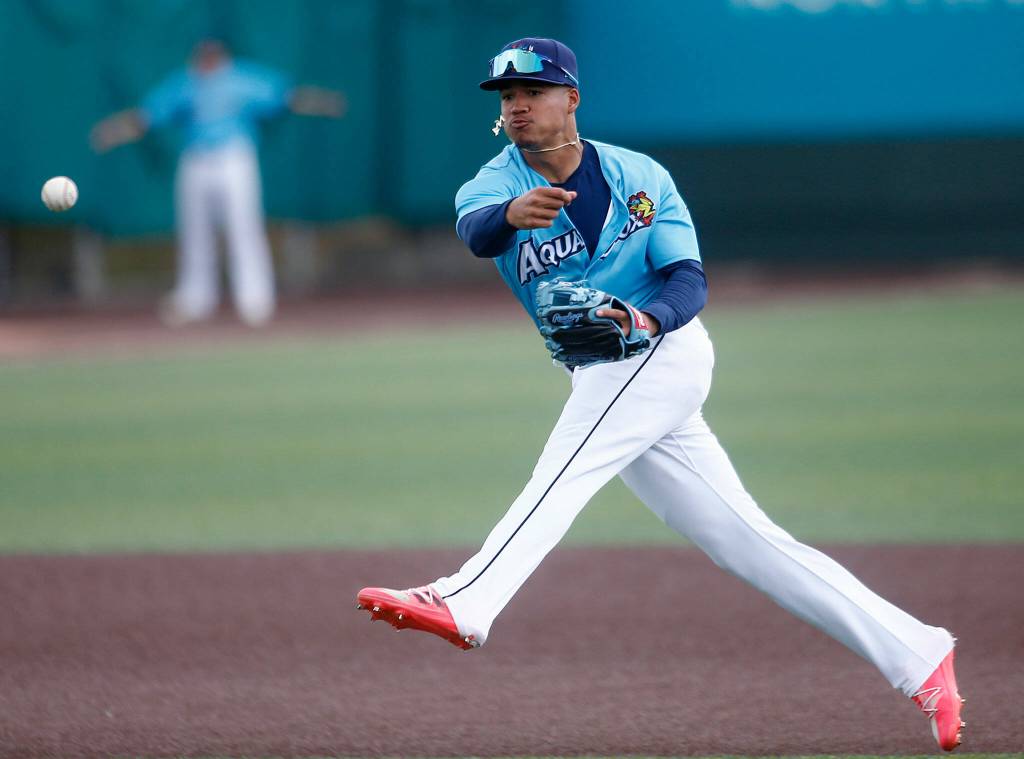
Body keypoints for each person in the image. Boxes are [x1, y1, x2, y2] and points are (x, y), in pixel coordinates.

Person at [356, 38, 965, 752]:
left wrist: (646, 317)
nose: (516, 105)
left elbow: (689, 280)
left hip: (662, 353)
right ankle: (918, 652)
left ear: (571, 98)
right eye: (506, 96)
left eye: (532, 91)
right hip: (602, 372)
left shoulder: (639, 176)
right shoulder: (492, 184)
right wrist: (512, 213)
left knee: (566, 467)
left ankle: (466, 597)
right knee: (748, 542)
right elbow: (477, 232)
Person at [91, 39, 345, 327]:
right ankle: (195, 300)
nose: (207, 60)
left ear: (222, 55)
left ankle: (255, 301)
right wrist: (113, 131)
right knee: (195, 232)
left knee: (244, 227)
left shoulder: (242, 79)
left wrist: (325, 102)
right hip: (197, 160)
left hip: (234, 159)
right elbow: (147, 117)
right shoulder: (185, 83)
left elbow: (287, 97)